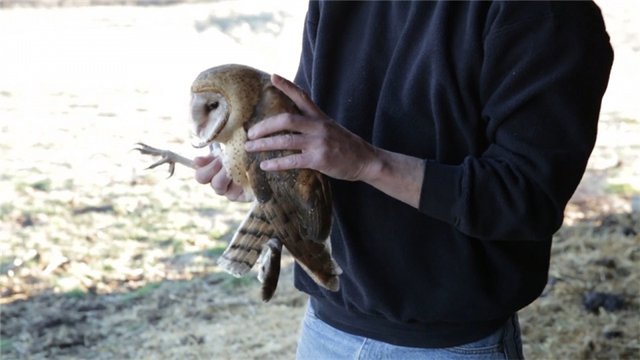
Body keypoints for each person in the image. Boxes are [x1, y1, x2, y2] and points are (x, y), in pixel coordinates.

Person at [195, 1, 613, 359]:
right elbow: (315, 142)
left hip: (450, 345)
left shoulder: (548, 13)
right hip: (325, 326)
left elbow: (526, 199)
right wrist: (260, 175)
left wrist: (369, 163)